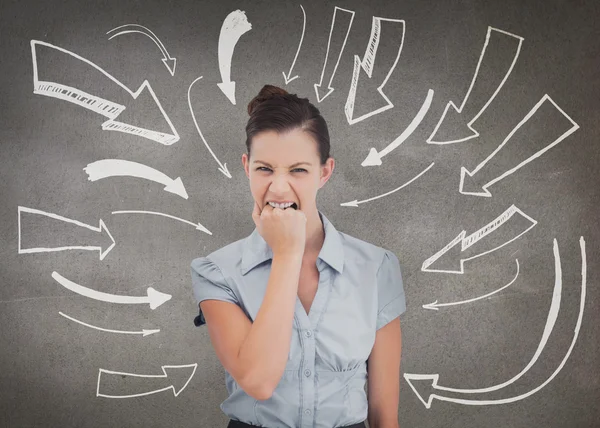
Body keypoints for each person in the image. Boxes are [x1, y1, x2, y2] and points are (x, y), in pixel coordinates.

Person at [190, 84, 406, 428]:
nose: (278, 188)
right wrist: (287, 253)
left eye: (298, 170)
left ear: (324, 172)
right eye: (264, 169)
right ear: (246, 167)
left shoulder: (376, 267)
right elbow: (258, 381)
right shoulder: (217, 272)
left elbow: (383, 415)